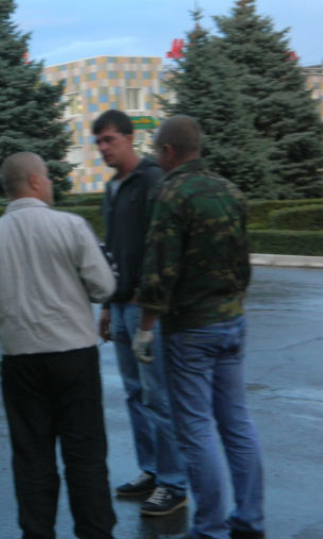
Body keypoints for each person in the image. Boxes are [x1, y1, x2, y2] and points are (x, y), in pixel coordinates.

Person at [0, 152, 122, 539]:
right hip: (73, 353)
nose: (51, 183)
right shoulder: (70, 226)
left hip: (20, 360)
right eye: (48, 177)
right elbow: (103, 286)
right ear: (34, 181)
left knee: (32, 454)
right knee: (85, 452)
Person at [134, 115, 265, 539]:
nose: (155, 156)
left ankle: (209, 531)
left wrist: (146, 327)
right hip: (232, 322)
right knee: (237, 422)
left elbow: (159, 270)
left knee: (195, 429)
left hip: (190, 329)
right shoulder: (230, 191)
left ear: (169, 152)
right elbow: (244, 263)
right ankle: (249, 519)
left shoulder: (170, 192)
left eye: (156, 149)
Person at [92, 110, 188, 516]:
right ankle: (150, 469)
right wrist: (106, 306)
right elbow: (111, 251)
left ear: (130, 138)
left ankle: (174, 482)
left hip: (146, 310)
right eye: (98, 142)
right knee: (134, 394)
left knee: (158, 395)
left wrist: (148, 306)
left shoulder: (153, 181)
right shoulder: (113, 189)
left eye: (109, 140)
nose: (103, 149)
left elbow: (161, 249)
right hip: (120, 305)